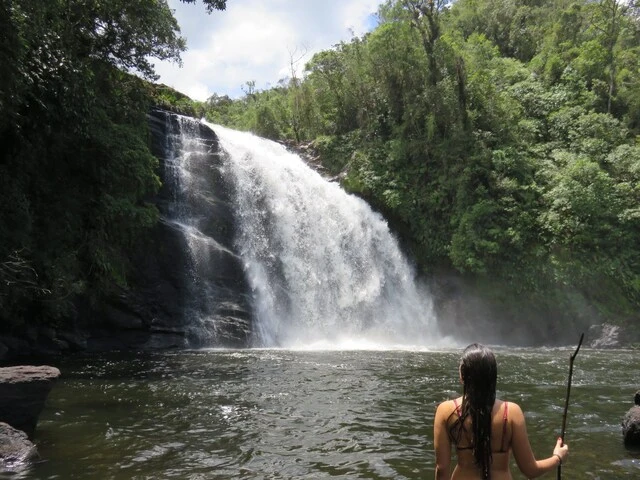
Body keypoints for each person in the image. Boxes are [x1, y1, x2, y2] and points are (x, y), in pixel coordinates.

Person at [433, 343, 569, 480]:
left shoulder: (446, 411)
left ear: (463, 375)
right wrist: (558, 457)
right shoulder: (511, 412)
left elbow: (442, 469)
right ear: (493, 377)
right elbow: (530, 470)